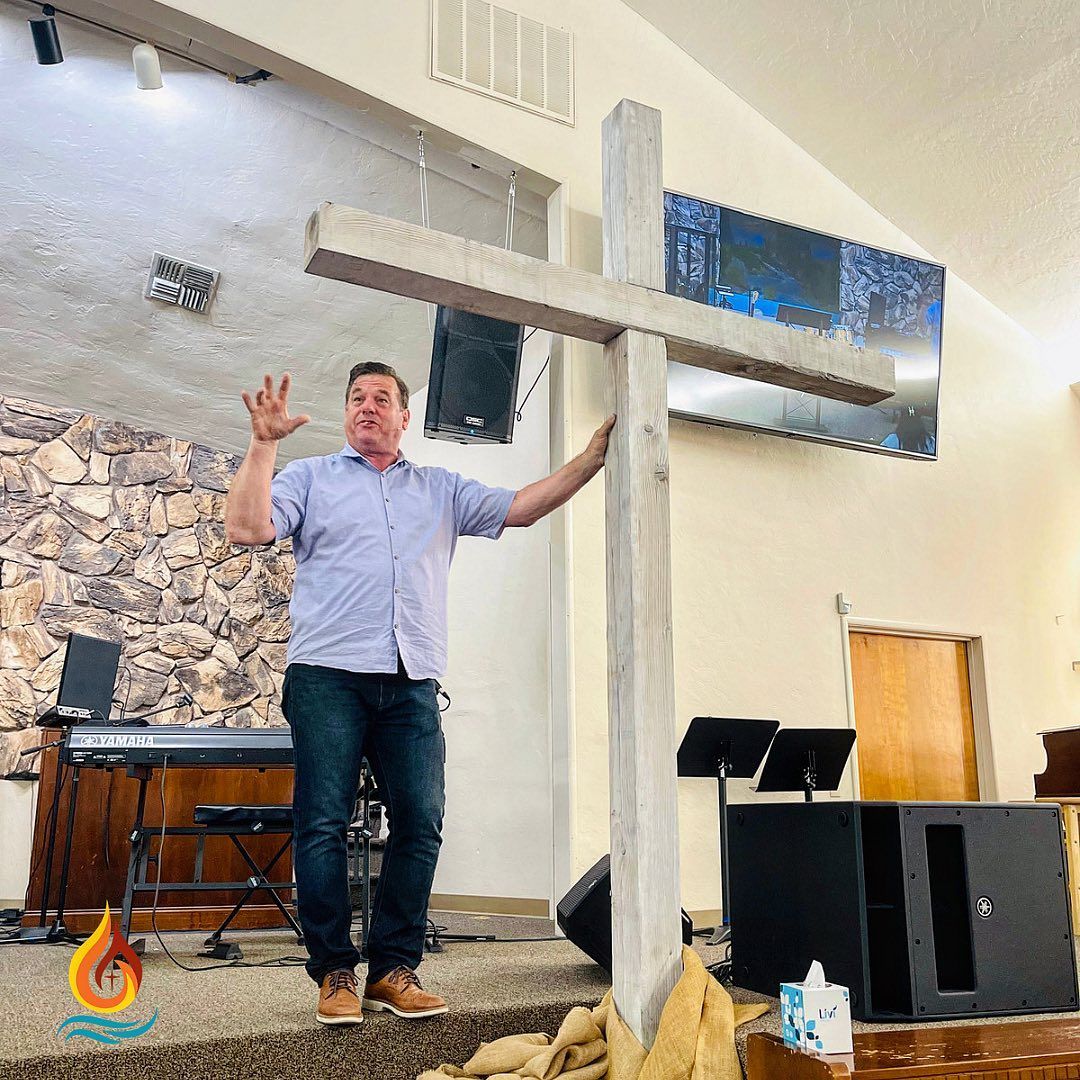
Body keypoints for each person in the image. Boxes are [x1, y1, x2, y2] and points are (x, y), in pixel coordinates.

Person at [224, 362, 614, 1027]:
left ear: (405, 418)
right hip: (327, 676)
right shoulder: (311, 477)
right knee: (322, 822)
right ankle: (335, 973)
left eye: (382, 398)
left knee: (422, 821)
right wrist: (263, 445)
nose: (367, 406)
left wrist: (590, 460)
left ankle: (393, 969)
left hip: (411, 681)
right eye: (356, 398)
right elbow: (246, 527)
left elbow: (520, 508)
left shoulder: (439, 490)